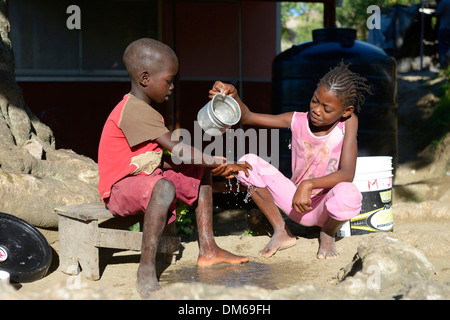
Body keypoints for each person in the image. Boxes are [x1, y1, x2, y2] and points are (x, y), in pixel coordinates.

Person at [98, 38, 250, 298]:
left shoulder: (147, 111)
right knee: (166, 184)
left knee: (196, 170)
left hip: (146, 178)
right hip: (120, 189)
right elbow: (176, 149)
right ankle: (145, 270)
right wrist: (214, 160)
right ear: (145, 78)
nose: (171, 87)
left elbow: (158, 157)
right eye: (168, 80)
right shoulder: (131, 110)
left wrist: (207, 163)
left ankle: (209, 248)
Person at [209, 61, 372, 260]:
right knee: (248, 163)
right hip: (296, 204)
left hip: (326, 207)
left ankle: (328, 233)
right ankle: (282, 230)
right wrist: (234, 98)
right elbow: (248, 117)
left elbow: (347, 173)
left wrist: (309, 184)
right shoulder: (296, 120)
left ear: (346, 111)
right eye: (314, 101)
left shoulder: (348, 123)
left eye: (327, 109)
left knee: (349, 192)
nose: (317, 110)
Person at [436, 0, 450, 69]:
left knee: (443, 49)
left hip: (444, 28)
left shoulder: (443, 2)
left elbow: (438, 14)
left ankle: (444, 69)